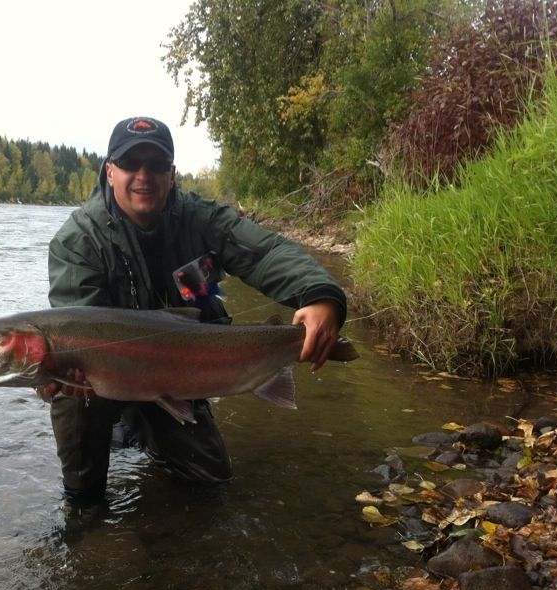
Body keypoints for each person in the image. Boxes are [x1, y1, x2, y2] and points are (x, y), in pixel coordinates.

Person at [43, 116, 347, 503]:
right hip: (107, 380)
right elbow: (75, 327)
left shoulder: (202, 219)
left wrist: (320, 296)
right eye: (131, 163)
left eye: (157, 165)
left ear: (172, 174)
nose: (143, 176)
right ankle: (84, 506)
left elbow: (266, 253)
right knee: (72, 388)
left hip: (181, 374)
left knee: (210, 480)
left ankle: (140, 429)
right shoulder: (78, 240)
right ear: (110, 171)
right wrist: (55, 373)